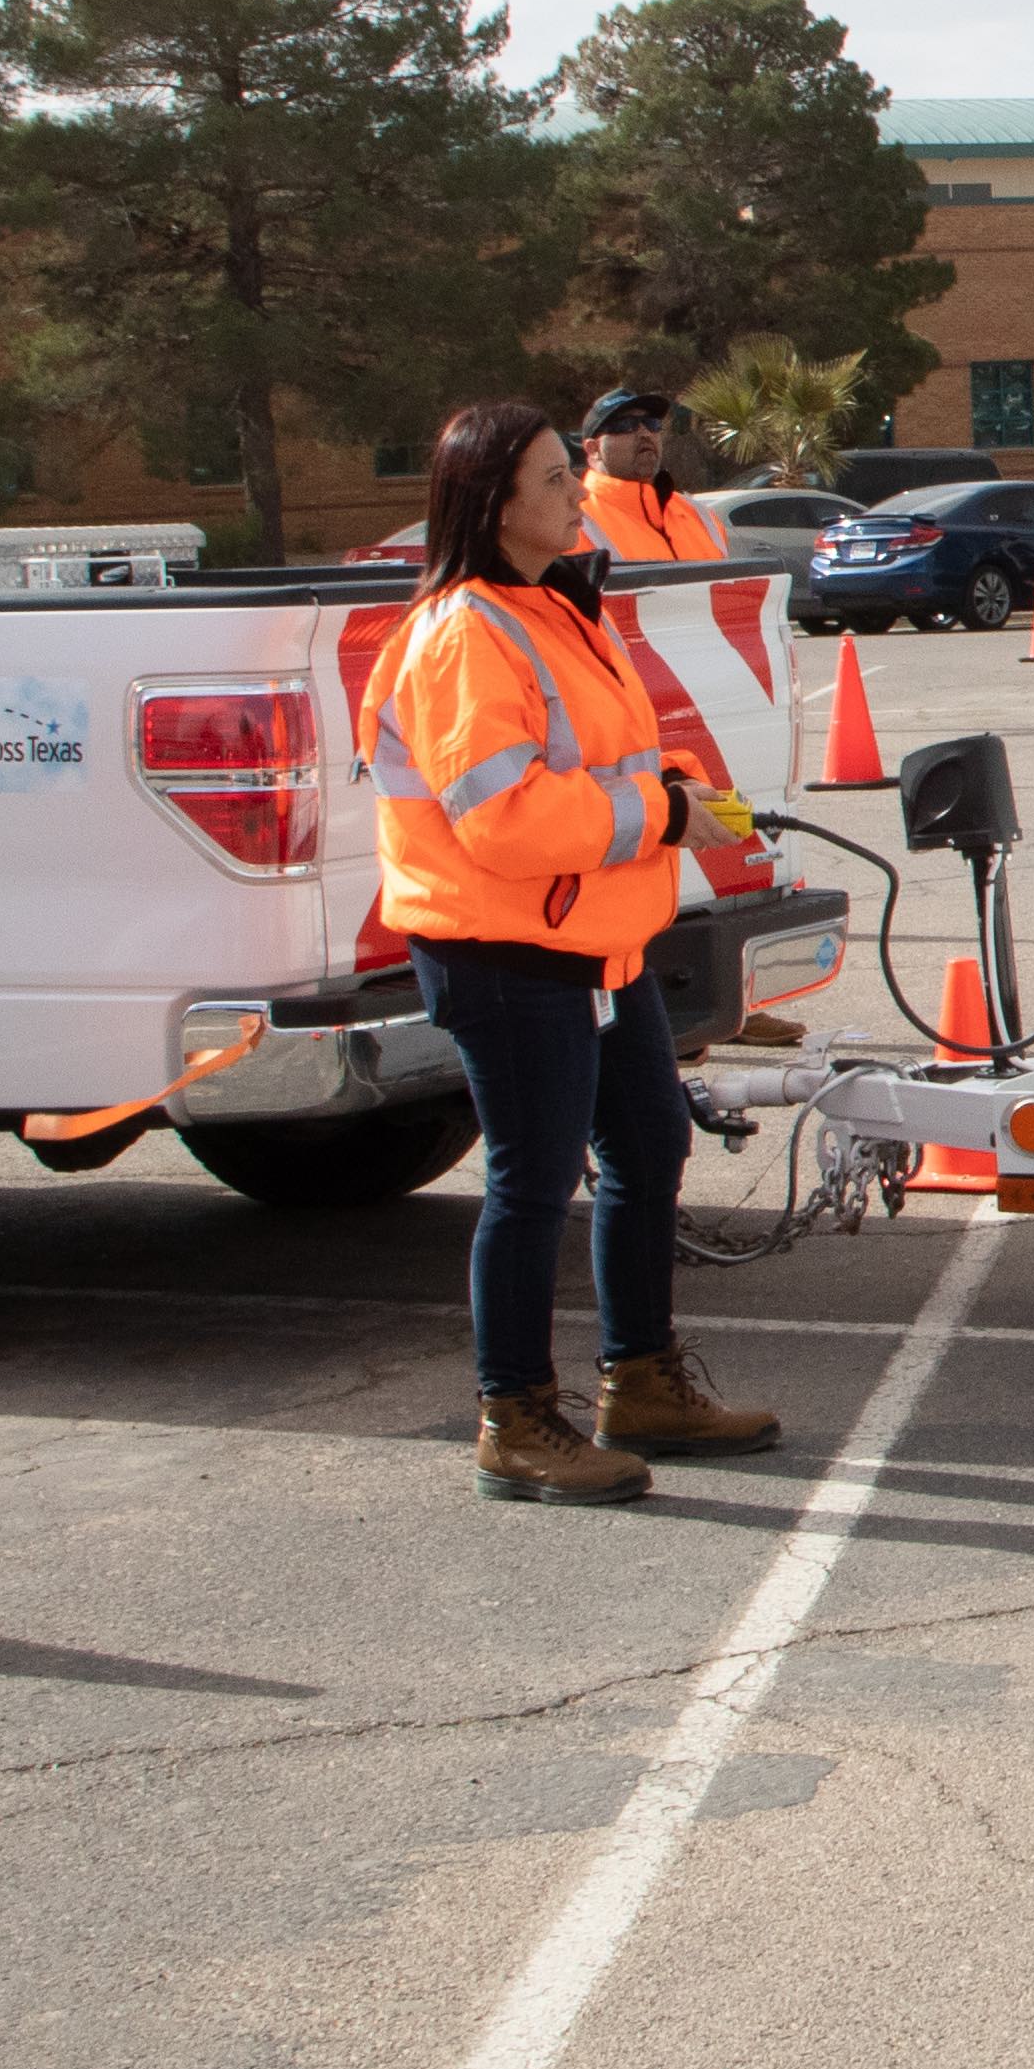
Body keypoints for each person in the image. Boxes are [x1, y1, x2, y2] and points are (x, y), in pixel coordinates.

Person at [368, 395, 784, 1506]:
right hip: (504, 953)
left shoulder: (553, 607)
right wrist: (655, 813)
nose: (574, 494)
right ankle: (514, 1416)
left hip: (594, 944)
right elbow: (504, 818)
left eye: (568, 474)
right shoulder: (467, 631)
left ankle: (640, 1381)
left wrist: (678, 786)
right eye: (554, 479)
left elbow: (610, 756)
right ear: (493, 507)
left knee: (649, 1150)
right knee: (533, 1183)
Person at [577, 386, 726, 569]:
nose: (645, 433)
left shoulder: (700, 516)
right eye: (626, 425)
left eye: (652, 423)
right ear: (593, 450)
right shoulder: (574, 520)